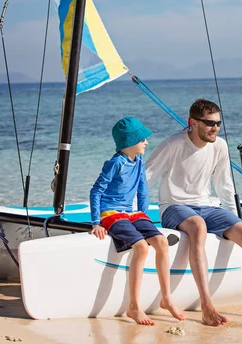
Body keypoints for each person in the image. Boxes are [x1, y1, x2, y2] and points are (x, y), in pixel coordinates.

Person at [146, 99, 242, 327]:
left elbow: (224, 185)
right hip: (173, 206)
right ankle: (207, 305)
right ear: (192, 122)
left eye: (218, 123)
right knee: (198, 226)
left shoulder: (220, 146)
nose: (215, 128)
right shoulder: (172, 144)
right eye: (209, 123)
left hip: (205, 206)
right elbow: (145, 177)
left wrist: (238, 220)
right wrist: (131, 213)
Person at [89, 116, 184, 326]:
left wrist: (143, 216)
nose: (146, 143)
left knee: (160, 241)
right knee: (141, 247)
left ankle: (166, 298)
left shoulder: (139, 160)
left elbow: (142, 189)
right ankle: (134, 306)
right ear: (130, 142)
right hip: (111, 212)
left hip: (131, 213)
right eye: (142, 139)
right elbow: (96, 191)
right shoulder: (115, 163)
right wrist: (96, 222)